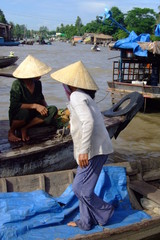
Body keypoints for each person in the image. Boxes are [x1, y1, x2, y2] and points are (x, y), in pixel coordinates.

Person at [51, 61, 114, 231]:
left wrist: (84, 151)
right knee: (82, 189)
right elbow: (84, 119)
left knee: (81, 189)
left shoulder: (76, 96)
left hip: (94, 150)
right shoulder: (82, 97)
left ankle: (105, 210)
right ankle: (86, 222)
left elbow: (88, 121)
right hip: (92, 149)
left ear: (71, 84)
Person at [8, 55, 58, 142]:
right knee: (25, 113)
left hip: (33, 115)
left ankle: (25, 128)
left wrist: (46, 110)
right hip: (19, 114)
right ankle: (11, 131)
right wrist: (34, 106)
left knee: (53, 109)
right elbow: (14, 105)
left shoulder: (38, 83)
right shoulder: (17, 84)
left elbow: (42, 100)